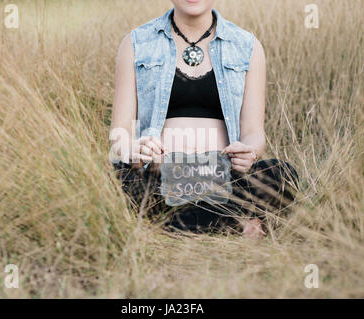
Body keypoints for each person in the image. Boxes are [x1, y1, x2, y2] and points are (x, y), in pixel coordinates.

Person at [109, 0, 299, 238]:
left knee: (282, 175)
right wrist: (133, 151)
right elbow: (120, 132)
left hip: (226, 179)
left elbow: (253, 131)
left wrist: (249, 153)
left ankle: (165, 225)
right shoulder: (136, 43)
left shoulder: (247, 46)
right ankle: (234, 224)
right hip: (159, 177)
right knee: (114, 181)